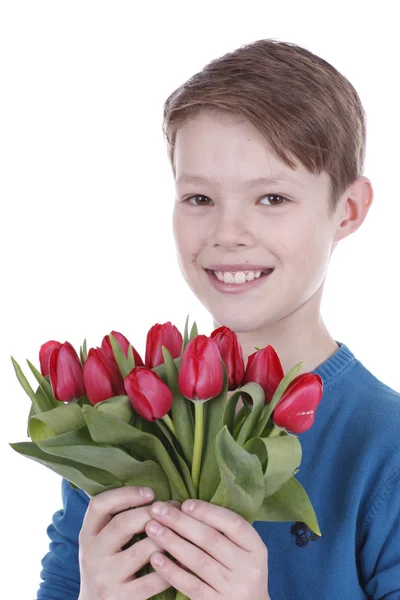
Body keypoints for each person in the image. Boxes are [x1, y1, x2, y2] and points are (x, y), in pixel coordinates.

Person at [37, 39, 400, 600]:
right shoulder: (117, 425)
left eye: (273, 198)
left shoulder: (385, 452)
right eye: (200, 198)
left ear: (348, 210)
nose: (228, 233)